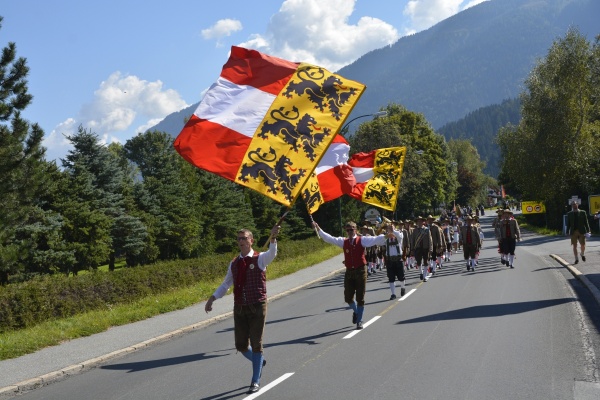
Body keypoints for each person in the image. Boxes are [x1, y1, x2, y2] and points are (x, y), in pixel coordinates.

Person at [204, 224, 281, 394]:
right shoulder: (235, 263)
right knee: (240, 345)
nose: (241, 241)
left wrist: (273, 237)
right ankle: (259, 361)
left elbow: (272, 254)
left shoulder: (260, 258)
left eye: (244, 238)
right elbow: (226, 284)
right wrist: (212, 298)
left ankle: (255, 381)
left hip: (257, 306)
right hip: (239, 307)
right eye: (239, 239)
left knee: (256, 344)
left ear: (251, 240)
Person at [312, 220, 403, 329]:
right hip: (349, 272)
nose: (350, 232)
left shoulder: (362, 240)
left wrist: (386, 236)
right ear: (346, 231)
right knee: (348, 298)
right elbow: (329, 238)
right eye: (348, 230)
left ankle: (359, 321)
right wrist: (318, 228)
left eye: (352, 229)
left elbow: (374, 240)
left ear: (356, 230)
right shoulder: (343, 241)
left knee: (360, 297)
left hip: (361, 271)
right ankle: (356, 312)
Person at [382, 222, 406, 300]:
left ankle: (402, 287)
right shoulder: (386, 237)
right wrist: (387, 232)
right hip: (390, 260)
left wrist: (393, 230)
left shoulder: (399, 235)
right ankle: (393, 294)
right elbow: (381, 240)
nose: (390, 229)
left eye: (391, 227)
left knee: (401, 277)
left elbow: (400, 236)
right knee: (391, 278)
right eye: (389, 228)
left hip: (398, 259)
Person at [411, 216, 433, 281]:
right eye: (418, 221)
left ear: (423, 222)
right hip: (418, 248)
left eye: (421, 221)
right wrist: (412, 249)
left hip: (425, 248)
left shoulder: (426, 229)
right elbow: (413, 240)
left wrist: (431, 248)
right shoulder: (414, 230)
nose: (419, 222)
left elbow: (430, 239)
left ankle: (424, 276)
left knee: (426, 262)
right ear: (417, 223)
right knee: (418, 262)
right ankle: (421, 273)